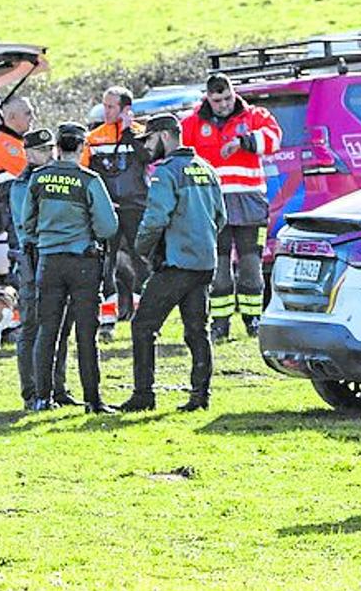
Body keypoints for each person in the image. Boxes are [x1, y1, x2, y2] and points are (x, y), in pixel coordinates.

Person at [118, 115, 226, 413]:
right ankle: (200, 397)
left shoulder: (166, 173)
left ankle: (143, 395)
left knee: (143, 326)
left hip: (176, 264)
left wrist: (141, 248)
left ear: (165, 136)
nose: (147, 148)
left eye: (149, 140)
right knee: (196, 331)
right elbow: (221, 218)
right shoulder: (207, 169)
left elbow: (155, 219)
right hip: (204, 263)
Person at [23, 122, 119, 413]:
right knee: (86, 334)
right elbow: (108, 227)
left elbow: (28, 222)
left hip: (49, 262)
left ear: (58, 147)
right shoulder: (89, 180)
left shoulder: (38, 179)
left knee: (47, 330)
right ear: (80, 147)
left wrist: (49, 237)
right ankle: (93, 400)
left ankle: (42, 398)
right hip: (83, 263)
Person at [182, 73, 281, 342]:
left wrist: (244, 141)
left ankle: (253, 320)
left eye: (227, 97)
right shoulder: (192, 123)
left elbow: (274, 138)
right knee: (219, 266)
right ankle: (220, 324)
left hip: (250, 202)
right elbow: (178, 155)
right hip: (213, 205)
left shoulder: (254, 115)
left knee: (251, 264)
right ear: (208, 98)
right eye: (217, 100)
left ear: (232, 92)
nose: (224, 104)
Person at [10, 128, 76, 408]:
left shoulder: (52, 179)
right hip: (34, 259)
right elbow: (27, 228)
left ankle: (56, 388)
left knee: (59, 327)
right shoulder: (22, 185)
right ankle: (32, 391)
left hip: (55, 258)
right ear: (28, 153)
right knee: (32, 328)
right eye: (42, 151)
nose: (49, 155)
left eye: (51, 149)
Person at [82, 86, 149, 341]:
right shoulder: (94, 138)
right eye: (105, 105)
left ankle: (142, 317)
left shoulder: (141, 134)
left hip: (136, 208)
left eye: (111, 106)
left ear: (125, 109)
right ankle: (107, 320)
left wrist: (130, 132)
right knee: (105, 262)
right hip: (106, 210)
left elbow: (147, 157)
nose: (105, 110)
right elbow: (84, 171)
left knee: (141, 260)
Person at [0, 96, 34, 270]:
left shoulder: (17, 142)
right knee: (21, 253)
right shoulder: (6, 145)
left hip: (22, 208)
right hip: (16, 209)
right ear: (12, 118)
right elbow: (33, 169)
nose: (33, 118)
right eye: (28, 113)